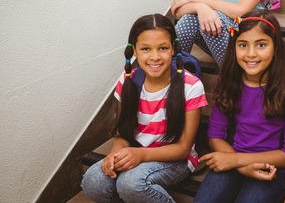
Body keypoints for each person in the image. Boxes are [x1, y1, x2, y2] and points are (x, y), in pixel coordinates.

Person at [81, 14, 208, 203]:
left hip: (175, 160)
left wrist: (141, 155)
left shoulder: (191, 86)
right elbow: (122, 133)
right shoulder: (127, 81)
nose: (155, 57)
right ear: (134, 51)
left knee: (131, 183)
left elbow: (183, 148)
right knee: (92, 181)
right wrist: (115, 154)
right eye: (146, 49)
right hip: (136, 150)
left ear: (173, 49)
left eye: (163, 48)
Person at [193, 10, 285, 203]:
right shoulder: (228, 82)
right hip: (233, 157)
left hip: (274, 168)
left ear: (276, 48)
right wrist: (240, 164)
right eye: (243, 45)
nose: (251, 54)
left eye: (261, 45)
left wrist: (237, 161)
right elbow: (215, 135)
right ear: (233, 48)